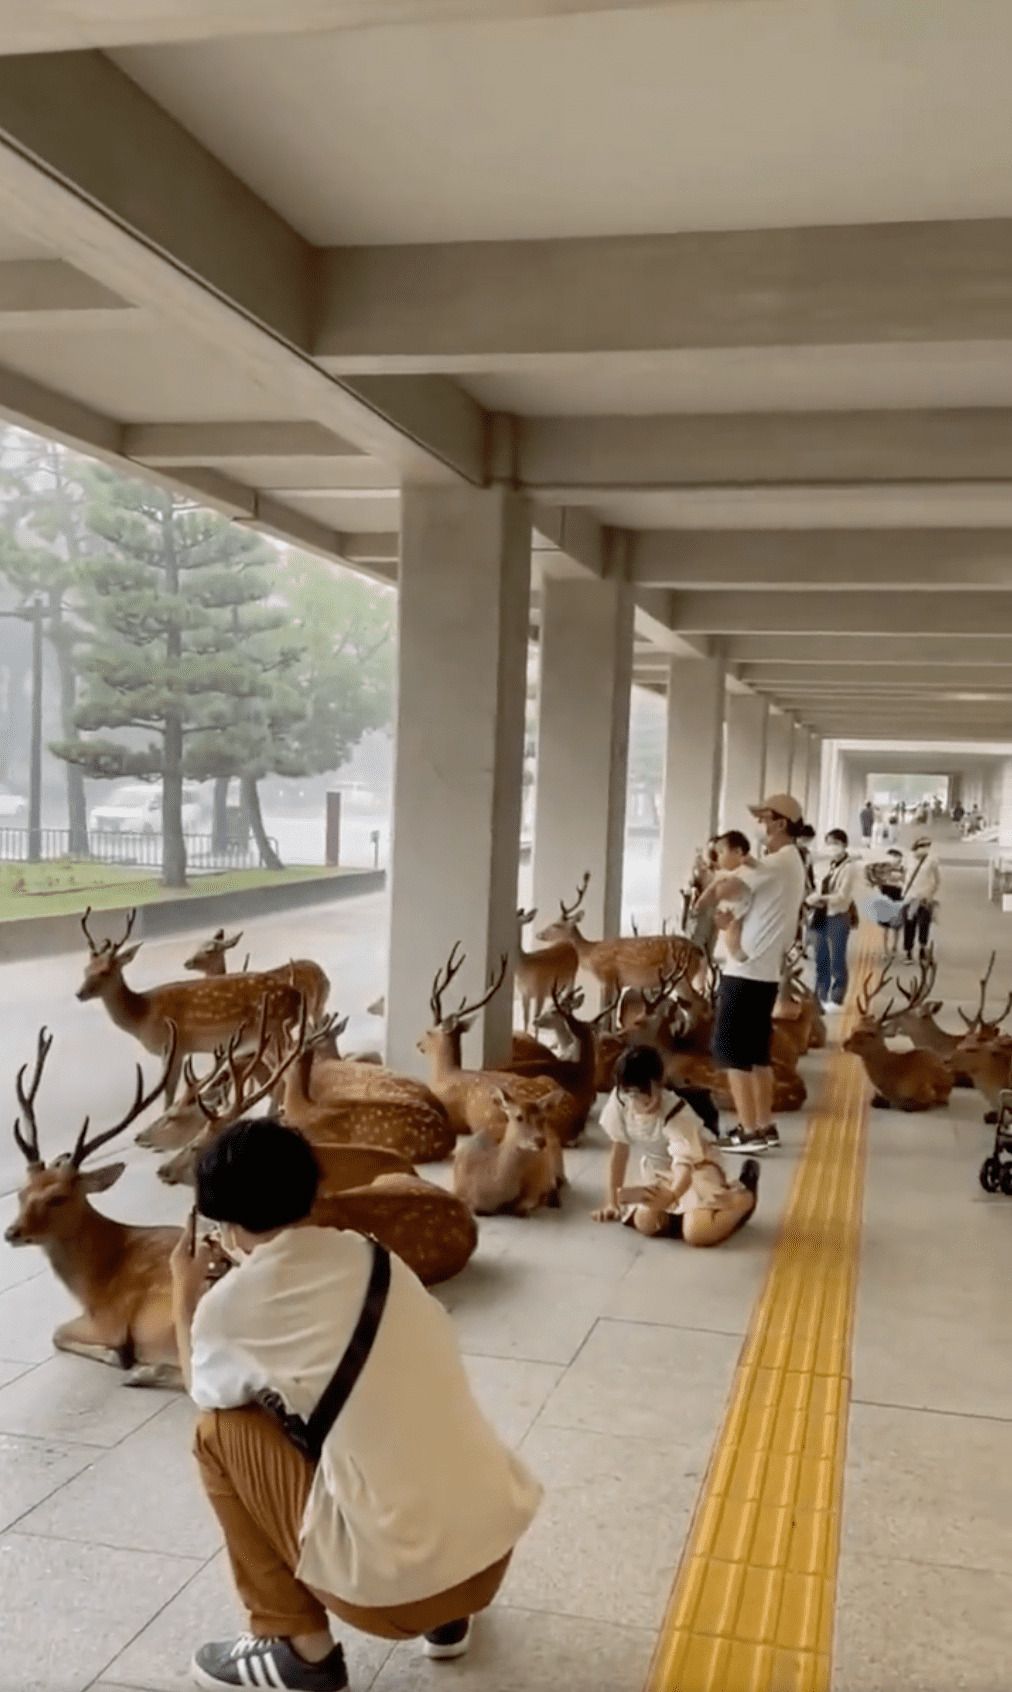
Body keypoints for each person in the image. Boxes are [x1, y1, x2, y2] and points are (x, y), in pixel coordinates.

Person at [170, 1118, 542, 1692]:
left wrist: (184, 1292)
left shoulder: (231, 1306)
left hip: (395, 1597)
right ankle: (449, 1620)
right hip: (488, 1557)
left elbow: (204, 1386)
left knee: (217, 1431)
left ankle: (297, 1646)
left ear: (222, 1221)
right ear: (312, 1191)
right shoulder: (376, 1259)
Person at [692, 792, 807, 1155]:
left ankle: (749, 1130)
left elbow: (719, 893)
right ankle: (763, 1125)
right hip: (764, 971)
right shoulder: (789, 863)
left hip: (746, 971)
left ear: (780, 823)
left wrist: (713, 869)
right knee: (756, 1055)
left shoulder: (776, 863)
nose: (759, 824)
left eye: (764, 818)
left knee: (731, 1053)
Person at [592, 1044, 760, 1246]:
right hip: (661, 1172)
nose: (638, 1102)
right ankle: (685, 1214)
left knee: (697, 1234)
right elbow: (619, 1149)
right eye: (632, 1095)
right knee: (645, 1222)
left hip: (698, 1168)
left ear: (659, 1084)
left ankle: (743, 1201)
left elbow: (684, 1165)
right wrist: (612, 1202)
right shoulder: (621, 1100)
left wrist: (672, 1196)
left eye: (646, 1095)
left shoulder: (676, 1113)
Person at [805, 828, 865, 1010]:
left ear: (844, 845)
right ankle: (820, 996)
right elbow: (819, 886)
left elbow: (842, 896)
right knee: (820, 958)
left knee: (836, 960)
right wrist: (812, 897)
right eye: (828, 843)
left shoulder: (849, 868)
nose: (831, 847)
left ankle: (836, 998)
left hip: (837, 916)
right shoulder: (828, 864)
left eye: (834, 843)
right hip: (820, 915)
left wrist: (820, 899)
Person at [709, 829, 755, 963]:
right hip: (733, 908)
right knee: (730, 926)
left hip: (739, 908)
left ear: (738, 852)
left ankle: (736, 953)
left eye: (722, 852)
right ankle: (734, 953)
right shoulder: (726, 872)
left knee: (733, 926)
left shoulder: (744, 871)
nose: (718, 857)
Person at [901, 835, 941, 962]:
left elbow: (937, 878)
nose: (925, 849)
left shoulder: (932, 860)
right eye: (922, 846)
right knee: (909, 924)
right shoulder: (908, 859)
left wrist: (932, 894)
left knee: (924, 924)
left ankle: (923, 948)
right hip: (910, 897)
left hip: (925, 898)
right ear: (916, 847)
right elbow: (903, 875)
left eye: (927, 846)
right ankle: (908, 951)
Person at [867, 847, 905, 957]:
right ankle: (885, 949)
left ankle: (894, 946)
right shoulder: (882, 869)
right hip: (885, 898)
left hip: (898, 897)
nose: (895, 859)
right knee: (885, 927)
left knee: (897, 925)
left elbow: (906, 882)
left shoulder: (902, 869)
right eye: (893, 857)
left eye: (897, 857)